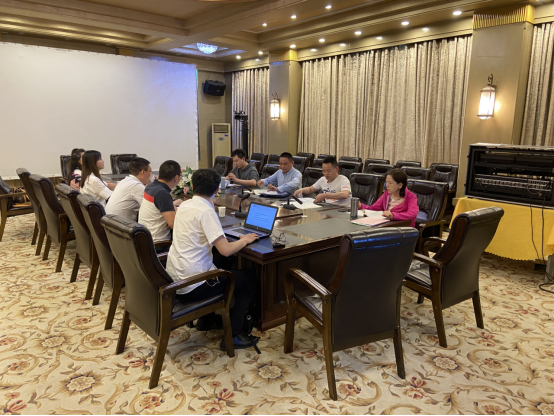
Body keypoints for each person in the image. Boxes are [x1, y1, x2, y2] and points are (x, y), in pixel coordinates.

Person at [166, 168, 259, 350]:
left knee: (221, 262)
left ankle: (206, 321)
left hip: (175, 278)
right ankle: (233, 336)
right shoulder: (206, 211)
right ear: (217, 190)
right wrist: (245, 240)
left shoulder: (184, 205)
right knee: (249, 277)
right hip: (193, 285)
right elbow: (226, 250)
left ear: (193, 186)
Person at [138, 160, 184, 244]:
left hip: (146, 239)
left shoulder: (151, 186)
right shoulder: (162, 193)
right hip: (158, 244)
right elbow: (174, 224)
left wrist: (172, 207)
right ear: (176, 177)